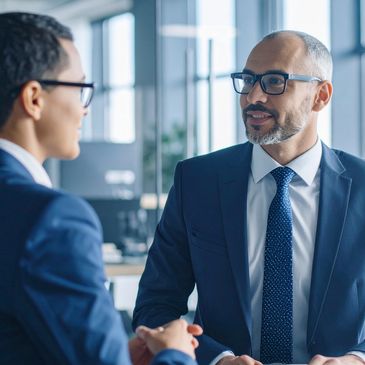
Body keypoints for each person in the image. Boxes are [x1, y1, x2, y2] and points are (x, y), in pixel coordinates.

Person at [133, 30, 365, 365]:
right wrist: (218, 359)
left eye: (274, 81)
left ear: (320, 95)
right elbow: (154, 306)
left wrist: (355, 359)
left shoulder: (361, 187)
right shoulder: (198, 181)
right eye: (247, 79)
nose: (252, 96)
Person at [0, 11, 203, 365]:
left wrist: (116, 354)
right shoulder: (50, 218)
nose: (84, 110)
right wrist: (175, 354)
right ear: (34, 98)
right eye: (80, 89)